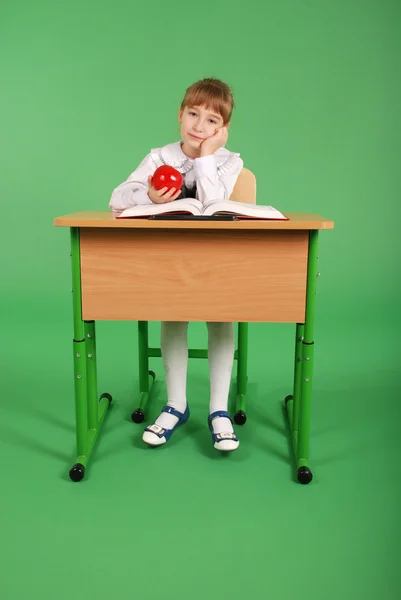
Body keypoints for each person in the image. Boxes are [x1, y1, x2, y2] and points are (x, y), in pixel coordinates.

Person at [109, 78, 243, 451]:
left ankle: (218, 409)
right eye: (193, 114)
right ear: (180, 115)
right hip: (169, 258)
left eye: (212, 121)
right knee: (173, 315)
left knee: (221, 317)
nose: (200, 126)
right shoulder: (159, 157)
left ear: (224, 129)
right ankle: (176, 403)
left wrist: (205, 157)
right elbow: (117, 199)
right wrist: (147, 194)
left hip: (216, 257)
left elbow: (215, 204)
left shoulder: (230, 161)